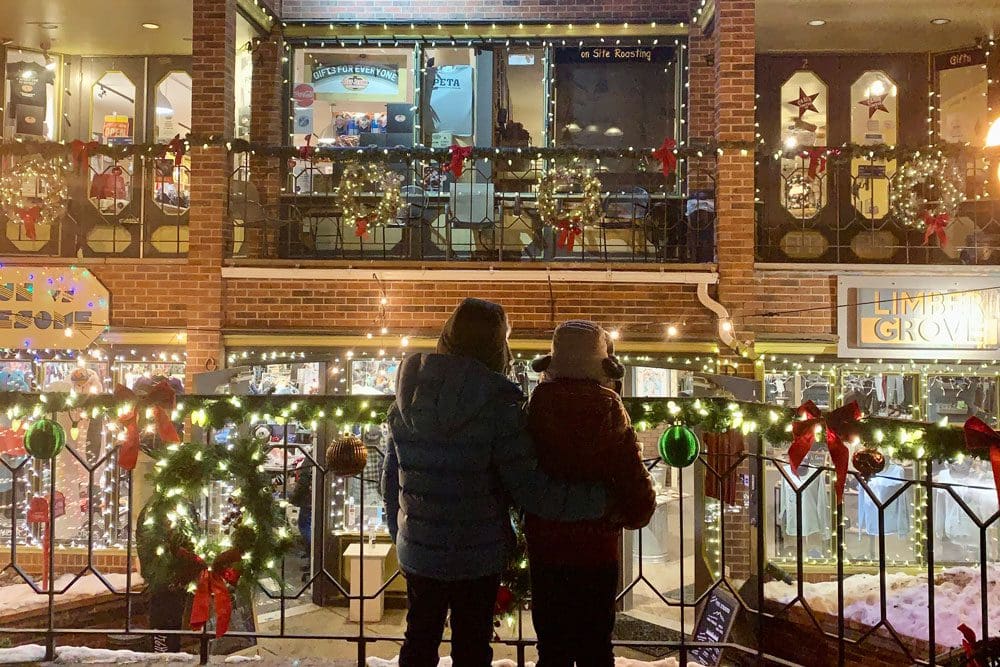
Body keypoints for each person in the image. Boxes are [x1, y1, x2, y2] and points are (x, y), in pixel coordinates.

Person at [381, 298, 608, 667]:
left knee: (419, 639)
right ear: (496, 343)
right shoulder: (499, 406)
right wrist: (599, 502)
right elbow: (529, 487)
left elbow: (391, 485)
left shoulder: (408, 399)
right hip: (477, 552)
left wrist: (406, 535)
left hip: (420, 550)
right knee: (472, 645)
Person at [526, 320, 657, 667]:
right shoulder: (610, 408)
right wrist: (631, 509)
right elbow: (634, 485)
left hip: (545, 545)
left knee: (550, 648)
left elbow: (521, 472)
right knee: (595, 646)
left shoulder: (536, 405)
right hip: (596, 550)